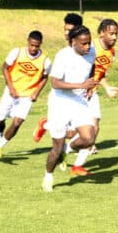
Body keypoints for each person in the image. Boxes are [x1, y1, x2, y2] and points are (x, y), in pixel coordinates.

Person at [42, 25, 99, 192]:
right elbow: (55, 83)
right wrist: (82, 84)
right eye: (83, 43)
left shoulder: (91, 52)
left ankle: (67, 150)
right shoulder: (63, 56)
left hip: (79, 102)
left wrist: (89, 85)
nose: (87, 47)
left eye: (89, 43)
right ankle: (48, 176)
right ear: (73, 42)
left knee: (89, 138)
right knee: (56, 148)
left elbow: (92, 67)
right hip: (59, 103)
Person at [67, 18, 118, 176]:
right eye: (111, 33)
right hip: (77, 90)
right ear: (102, 32)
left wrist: (106, 87)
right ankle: (47, 125)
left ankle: (77, 165)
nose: (114, 37)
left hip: (92, 90)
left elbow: (100, 72)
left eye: (116, 34)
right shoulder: (90, 46)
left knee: (94, 127)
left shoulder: (112, 53)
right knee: (71, 133)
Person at [0, 31, 51, 159]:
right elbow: (5, 67)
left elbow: (45, 77)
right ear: (28, 41)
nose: (34, 48)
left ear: (41, 44)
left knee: (17, 122)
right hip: (11, 92)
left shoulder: (45, 61)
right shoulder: (17, 52)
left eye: (37, 46)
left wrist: (36, 92)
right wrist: (11, 88)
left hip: (27, 96)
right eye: (32, 45)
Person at [31, 12, 83, 142]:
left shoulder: (85, 48)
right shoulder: (63, 53)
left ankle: (46, 125)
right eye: (65, 29)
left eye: (69, 30)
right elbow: (55, 79)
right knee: (65, 133)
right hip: (61, 96)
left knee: (73, 132)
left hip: (78, 95)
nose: (66, 33)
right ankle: (46, 125)